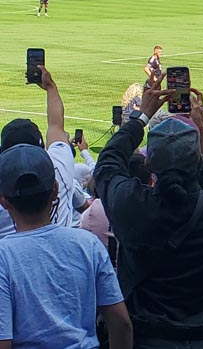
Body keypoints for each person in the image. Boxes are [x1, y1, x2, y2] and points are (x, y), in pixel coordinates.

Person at [94, 82, 203, 348]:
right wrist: (201, 127)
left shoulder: (132, 206)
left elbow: (107, 162)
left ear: (149, 163)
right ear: (197, 161)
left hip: (150, 338)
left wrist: (140, 118)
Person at [0, 144, 133, 348]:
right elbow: (121, 323)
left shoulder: (3, 256)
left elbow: (4, 341)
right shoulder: (87, 244)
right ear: (55, 190)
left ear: (4, 201)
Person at [0, 65, 75, 239]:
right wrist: (51, 87)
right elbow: (56, 126)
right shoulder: (59, 167)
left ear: (4, 201)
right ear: (54, 191)